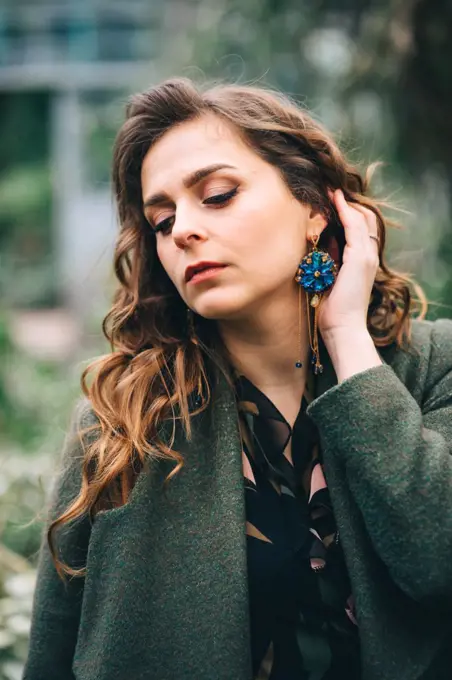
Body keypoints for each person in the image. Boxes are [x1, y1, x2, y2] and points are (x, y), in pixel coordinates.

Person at [24, 78, 452, 680]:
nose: (182, 231)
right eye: (162, 218)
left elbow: (438, 562)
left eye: (218, 195)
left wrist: (347, 338)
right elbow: (51, 658)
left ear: (315, 209)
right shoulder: (122, 420)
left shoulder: (435, 366)